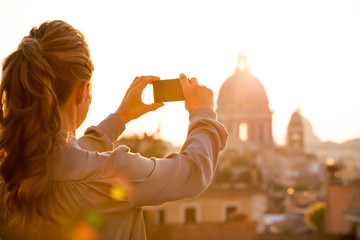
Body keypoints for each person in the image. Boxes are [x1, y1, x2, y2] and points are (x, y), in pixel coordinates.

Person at [0, 20, 228, 240]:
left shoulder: (11, 174)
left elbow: (70, 161)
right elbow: (192, 172)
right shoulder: (114, 173)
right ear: (82, 91)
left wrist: (120, 118)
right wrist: (203, 113)